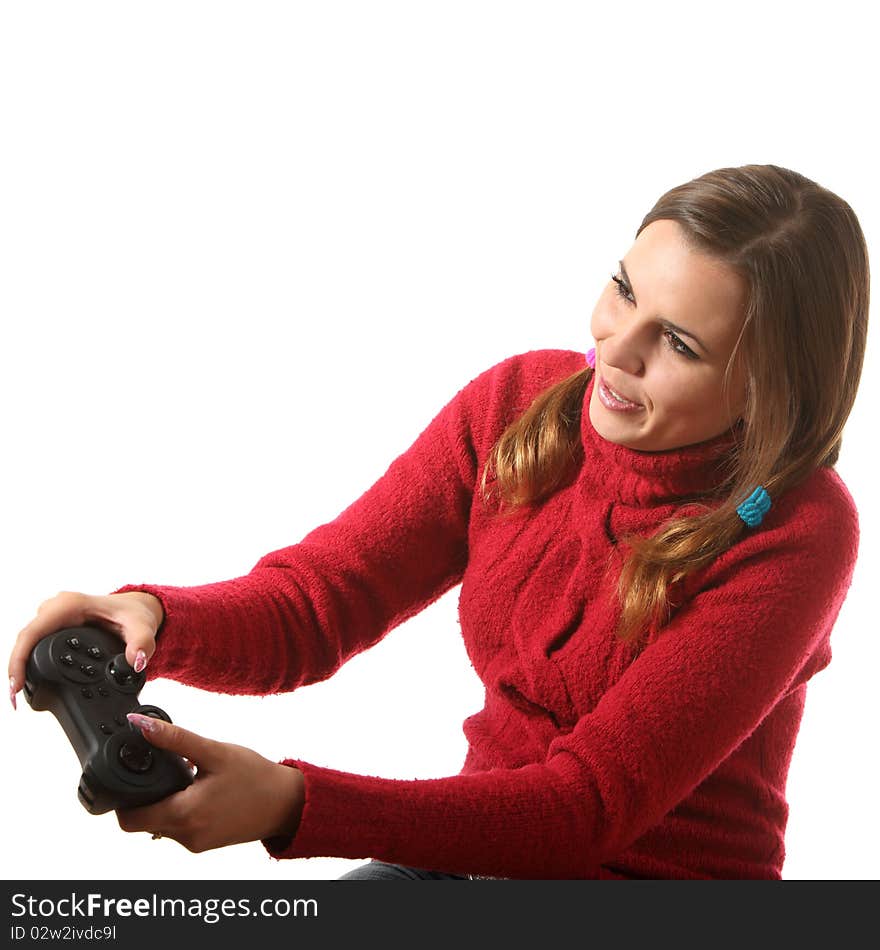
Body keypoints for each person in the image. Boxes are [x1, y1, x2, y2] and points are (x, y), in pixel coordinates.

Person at [8, 163, 869, 880]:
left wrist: (295, 803)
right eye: (621, 291)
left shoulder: (798, 531)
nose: (615, 348)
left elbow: (587, 805)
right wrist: (156, 618)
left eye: (679, 344)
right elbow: (319, 602)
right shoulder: (521, 405)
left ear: (770, 387)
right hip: (468, 854)